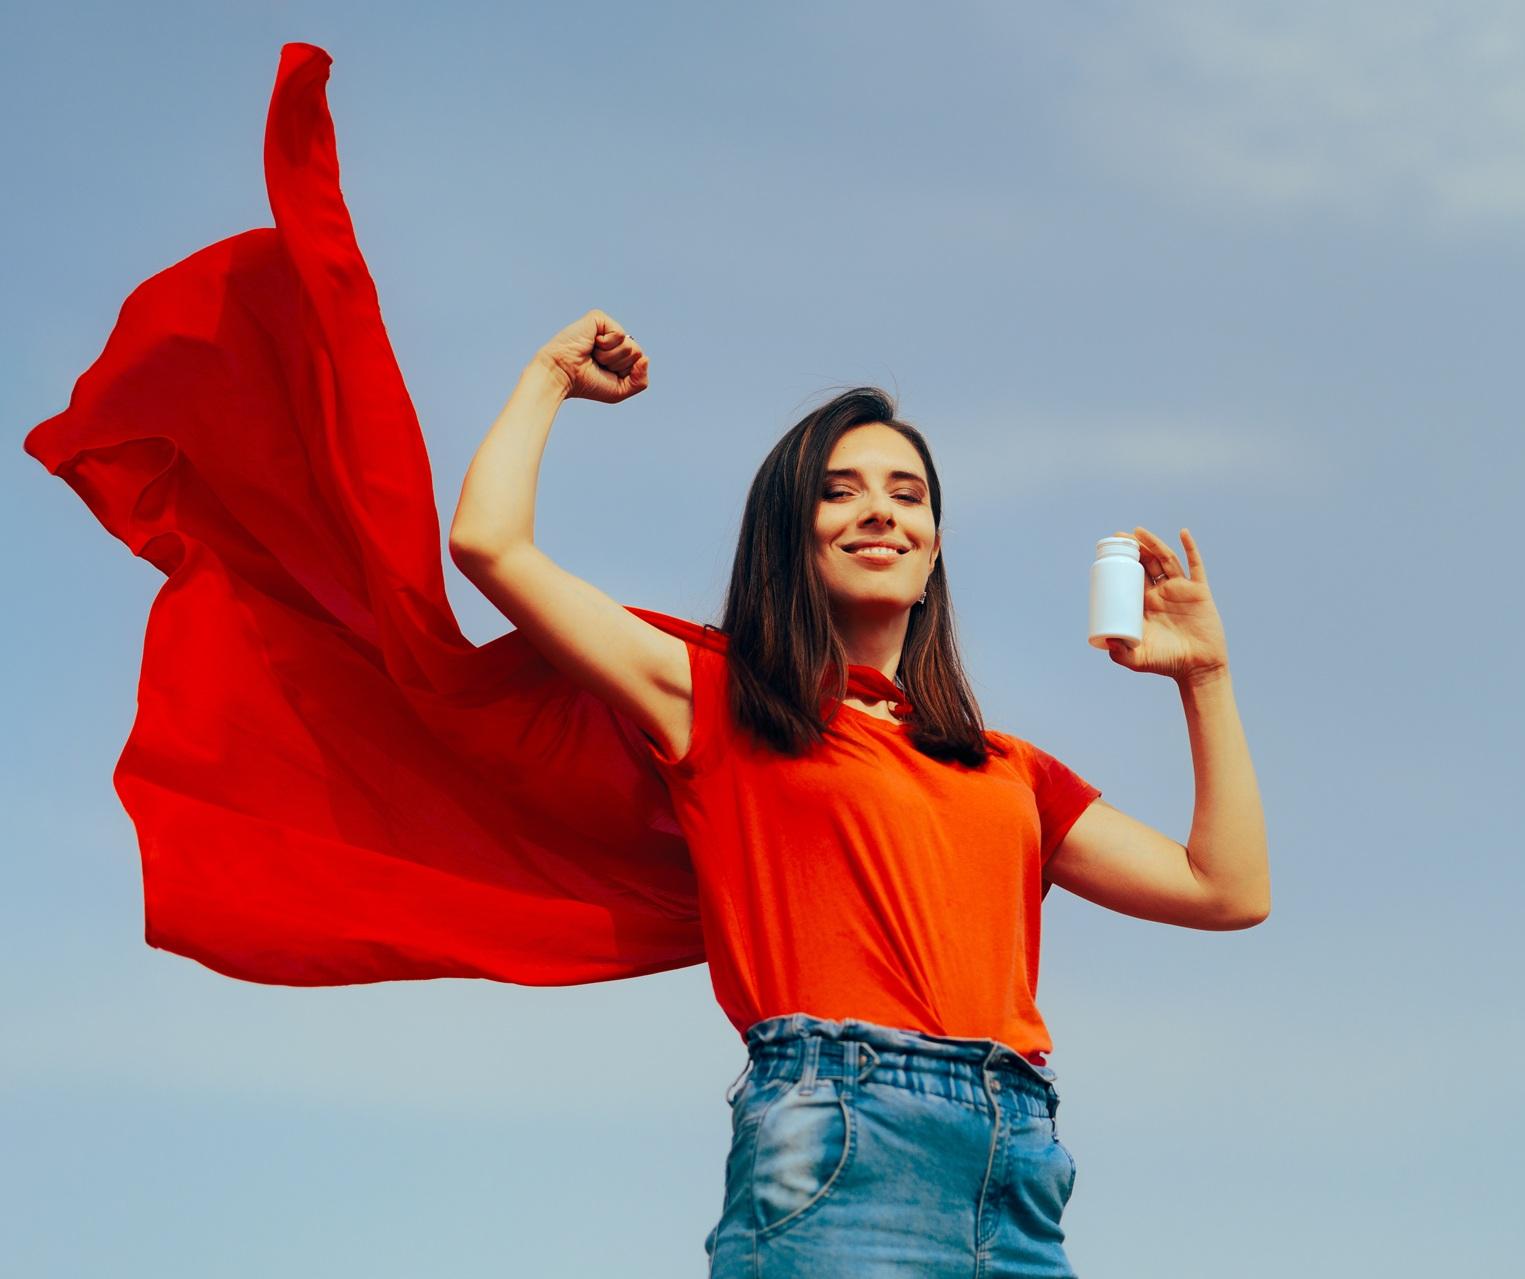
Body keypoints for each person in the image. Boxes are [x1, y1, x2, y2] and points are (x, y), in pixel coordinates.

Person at [446, 310, 1271, 1276]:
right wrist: (551, 375)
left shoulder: (1008, 769)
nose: (880, 511)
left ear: (932, 551)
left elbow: (1227, 889)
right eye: (839, 492)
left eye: (906, 495)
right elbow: (490, 545)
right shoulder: (717, 700)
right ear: (790, 539)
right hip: (839, 1144)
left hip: (1015, 1169)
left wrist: (1205, 677)